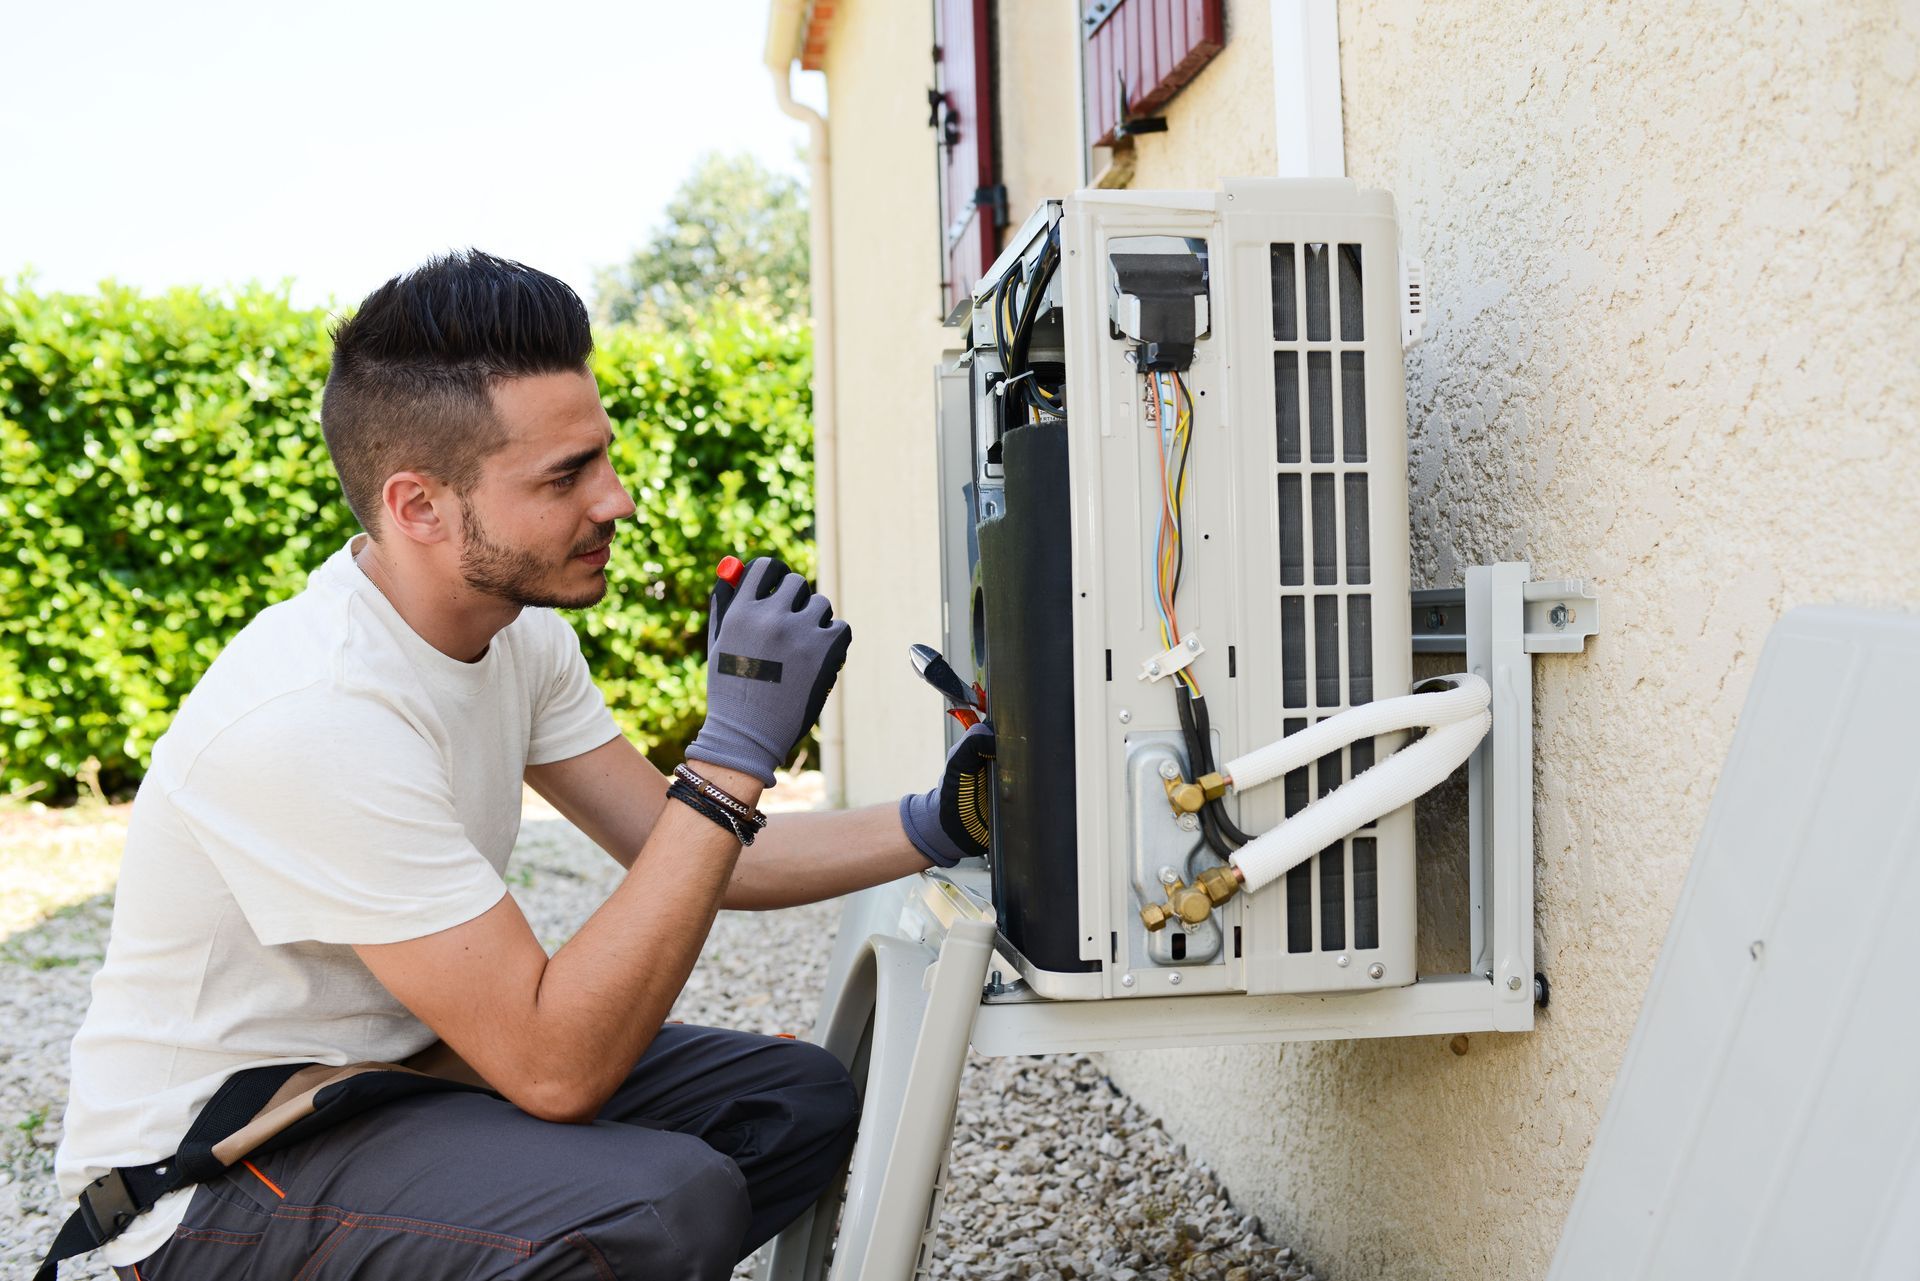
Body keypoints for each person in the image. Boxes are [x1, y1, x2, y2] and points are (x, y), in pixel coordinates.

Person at [46, 251, 997, 1281]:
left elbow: (709, 856)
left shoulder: (517, 636)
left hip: (399, 1084)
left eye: (601, 457)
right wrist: (731, 756)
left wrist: (942, 822)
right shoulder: (317, 715)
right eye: (565, 476)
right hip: (207, 1185)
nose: (617, 500)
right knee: (658, 1205)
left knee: (790, 1102)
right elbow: (556, 1069)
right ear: (418, 507)